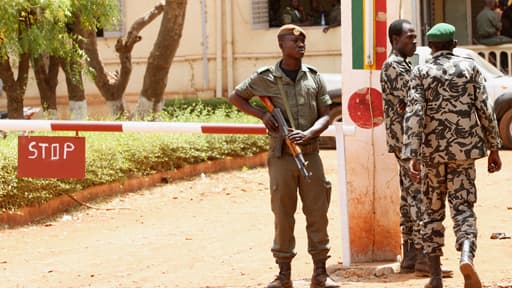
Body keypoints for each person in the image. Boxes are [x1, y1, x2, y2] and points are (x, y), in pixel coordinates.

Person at [229, 24, 339, 288]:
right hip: (281, 156)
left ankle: (321, 273)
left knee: (317, 212)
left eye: (303, 42)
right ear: (282, 46)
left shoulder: (313, 77)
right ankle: (284, 275)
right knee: (283, 213)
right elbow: (235, 96)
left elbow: (327, 113)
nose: (301, 45)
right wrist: (263, 115)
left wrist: (311, 132)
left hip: (310, 155)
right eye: (294, 41)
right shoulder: (266, 77)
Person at [402, 22, 502, 288]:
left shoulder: (420, 71)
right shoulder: (469, 68)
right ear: (454, 45)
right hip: (464, 152)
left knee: (431, 212)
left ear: (431, 46)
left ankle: (435, 277)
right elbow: (485, 110)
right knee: (463, 207)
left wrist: (411, 153)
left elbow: (414, 113)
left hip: (431, 155)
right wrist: (494, 147)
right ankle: (466, 255)